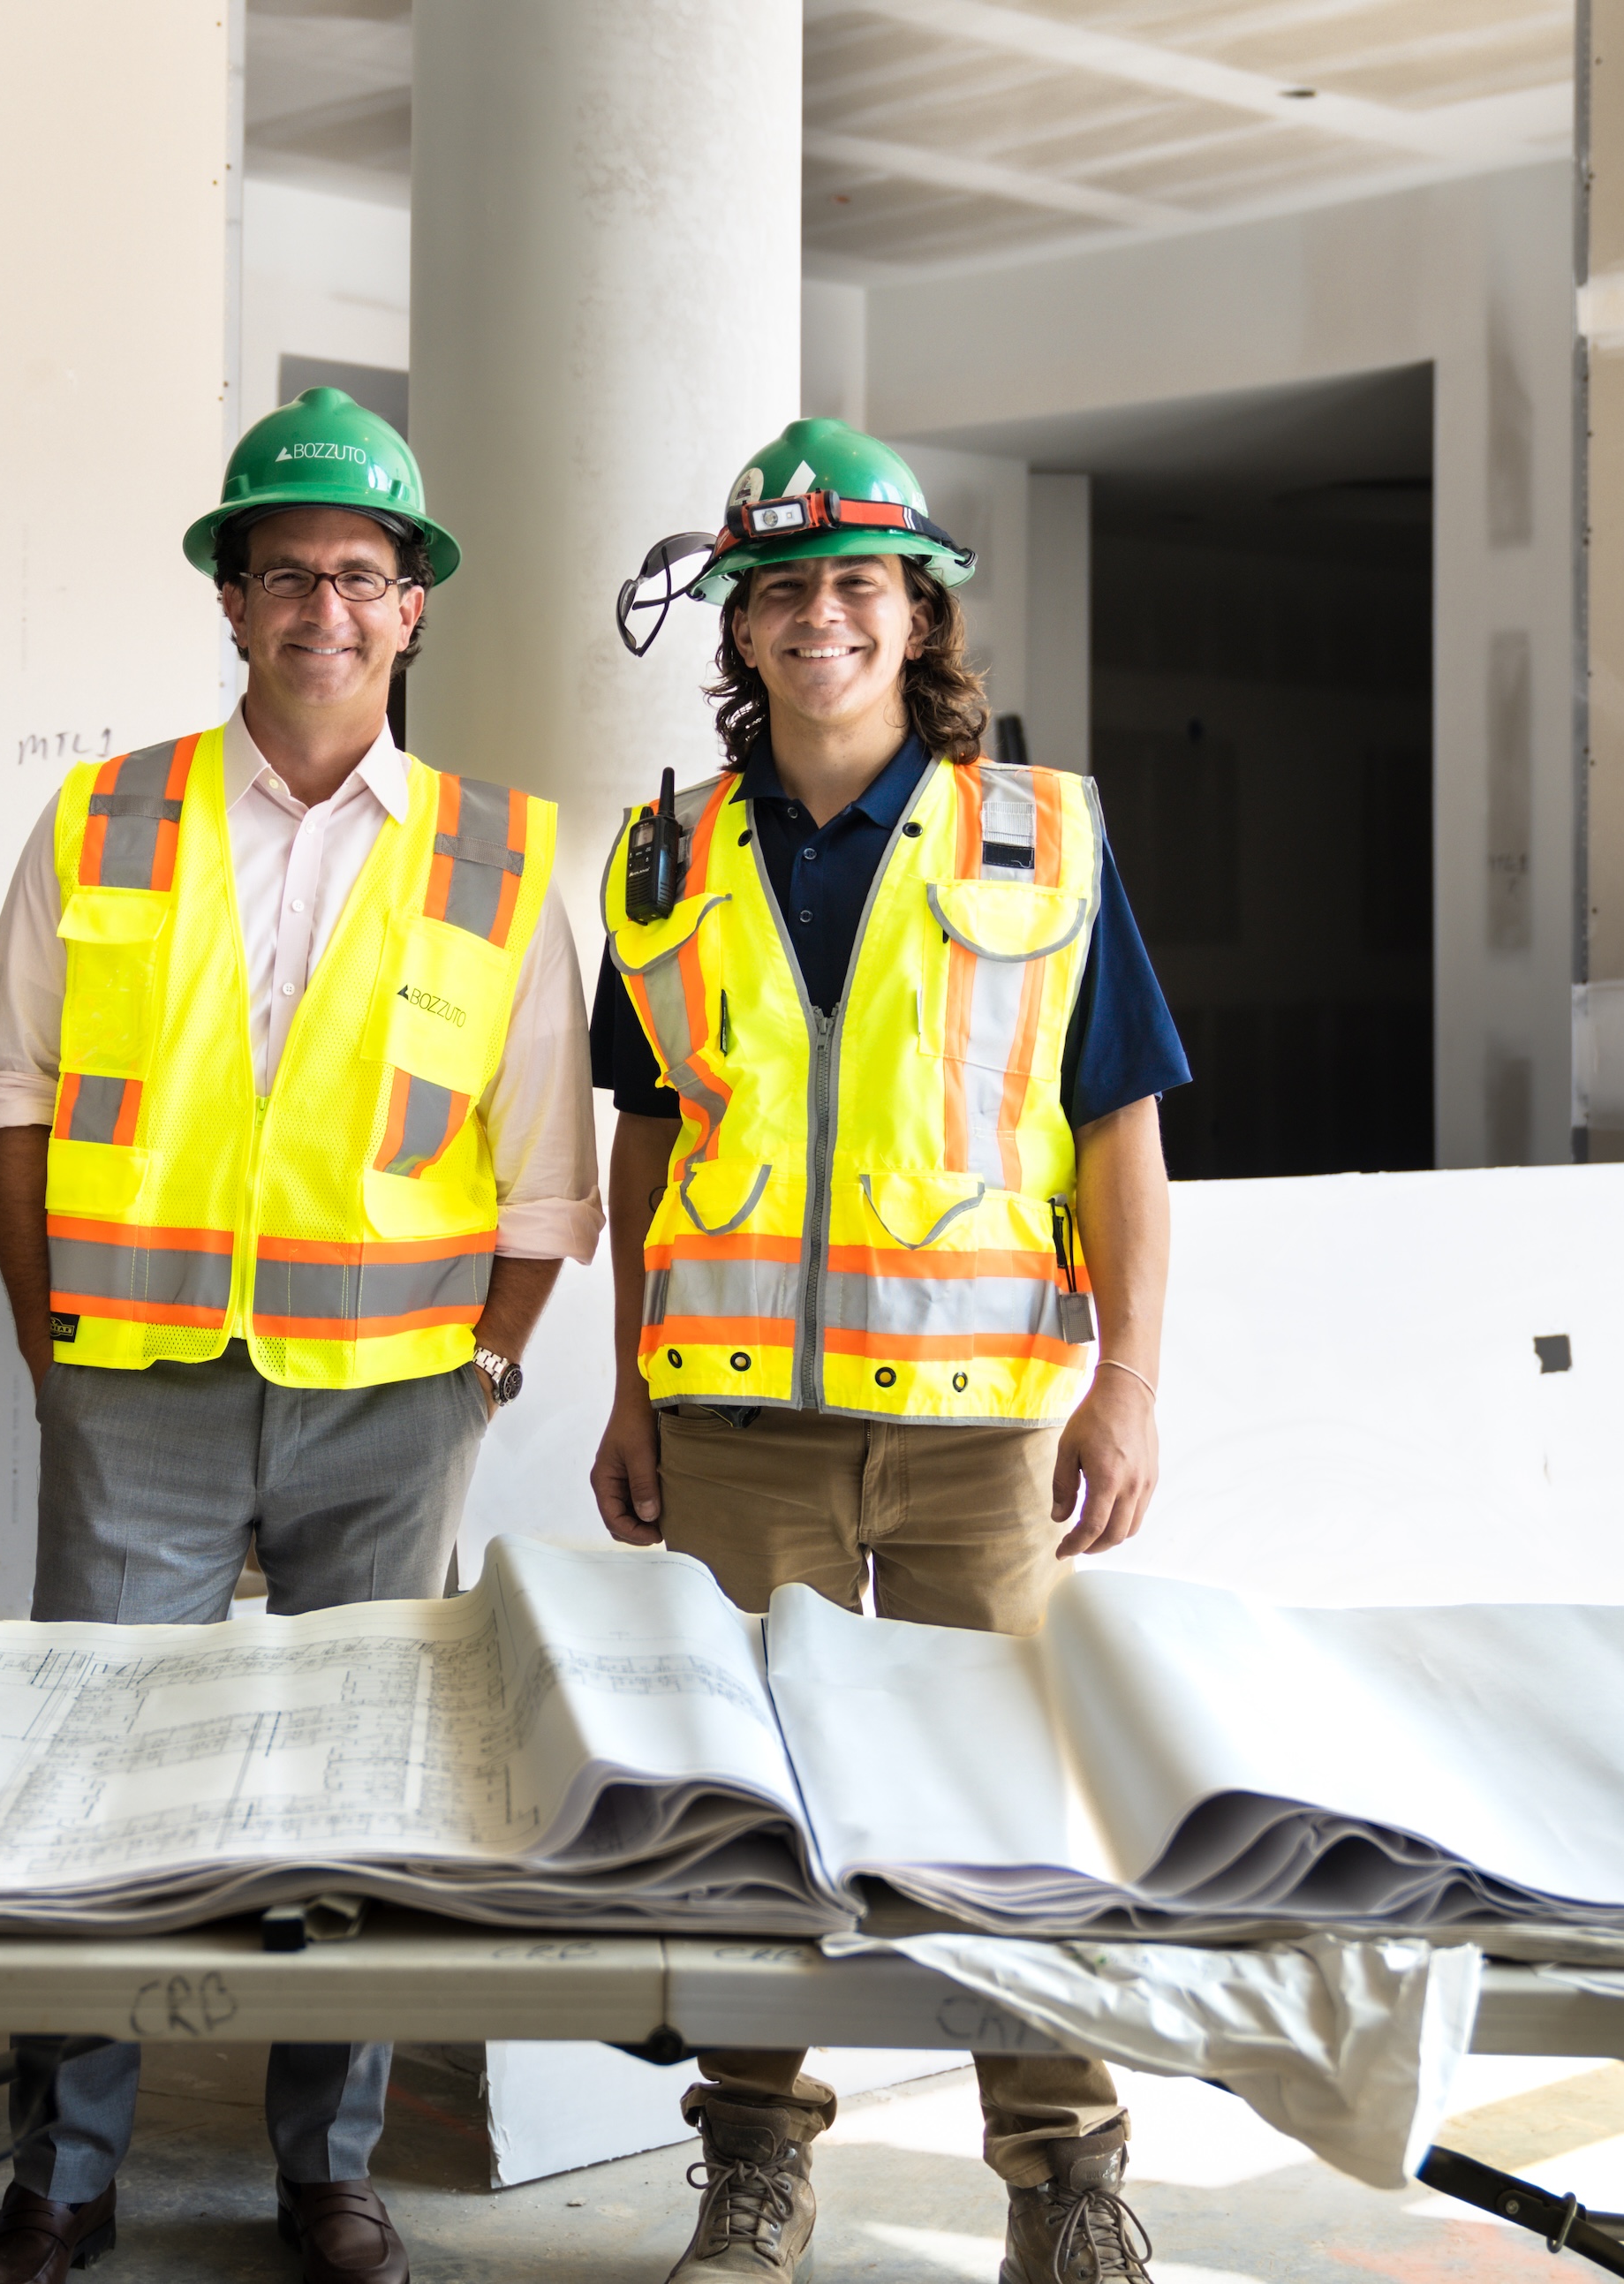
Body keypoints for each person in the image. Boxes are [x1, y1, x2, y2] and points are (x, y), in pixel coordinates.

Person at [0, 387, 602, 2284]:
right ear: (227, 604)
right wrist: (50, 1342)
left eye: (359, 573)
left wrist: (480, 1370)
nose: (321, 605)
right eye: (282, 572)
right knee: (95, 1790)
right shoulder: (101, 817)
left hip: (392, 1404)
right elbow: (13, 1100)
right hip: (138, 1390)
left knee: (351, 1797)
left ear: (412, 608)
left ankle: (325, 2169)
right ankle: (61, 2175)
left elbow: (541, 1170)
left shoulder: (499, 854)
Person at [590, 422, 1186, 2284]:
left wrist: (1131, 1385)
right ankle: (755, 2166)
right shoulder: (663, 854)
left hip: (978, 1428)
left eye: (856, 584)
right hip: (736, 1425)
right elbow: (642, 1133)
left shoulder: (1045, 835)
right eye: (783, 591)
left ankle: (1062, 2178)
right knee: (748, 1814)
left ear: (914, 612)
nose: (819, 619)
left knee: (1001, 1809)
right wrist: (625, 1385)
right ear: (740, 629)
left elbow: (1117, 1134)